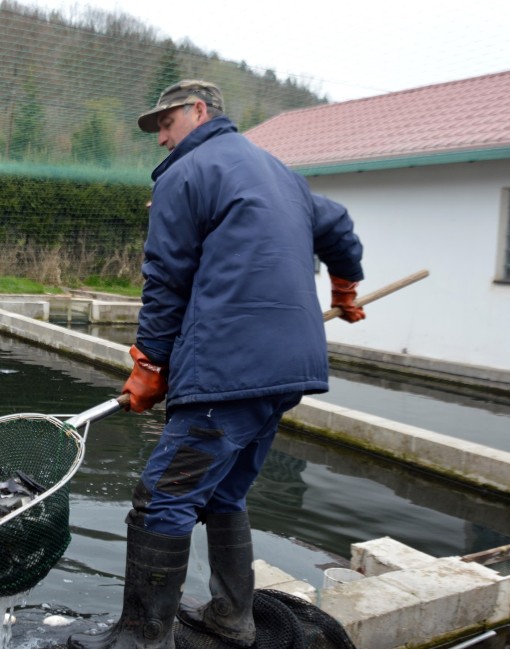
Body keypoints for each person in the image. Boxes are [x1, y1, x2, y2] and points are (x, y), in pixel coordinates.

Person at [67, 80, 365, 649]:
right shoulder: (280, 172)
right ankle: (233, 616)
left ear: (197, 111)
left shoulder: (187, 172)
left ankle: (142, 637)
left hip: (229, 369)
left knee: (162, 498)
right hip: (288, 369)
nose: (160, 138)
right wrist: (346, 287)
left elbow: (166, 280)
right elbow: (339, 226)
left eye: (165, 123)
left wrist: (150, 364)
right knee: (224, 493)